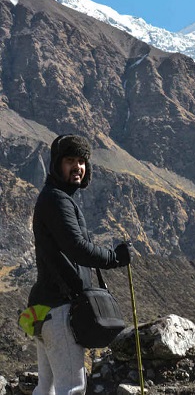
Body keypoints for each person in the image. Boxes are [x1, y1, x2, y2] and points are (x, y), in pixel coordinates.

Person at [28, 134, 131, 395]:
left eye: (82, 161)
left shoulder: (56, 197)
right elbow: (77, 248)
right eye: (70, 160)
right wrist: (114, 258)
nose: (78, 167)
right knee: (71, 388)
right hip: (60, 311)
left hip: (45, 309)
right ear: (56, 164)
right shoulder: (57, 200)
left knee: (46, 388)